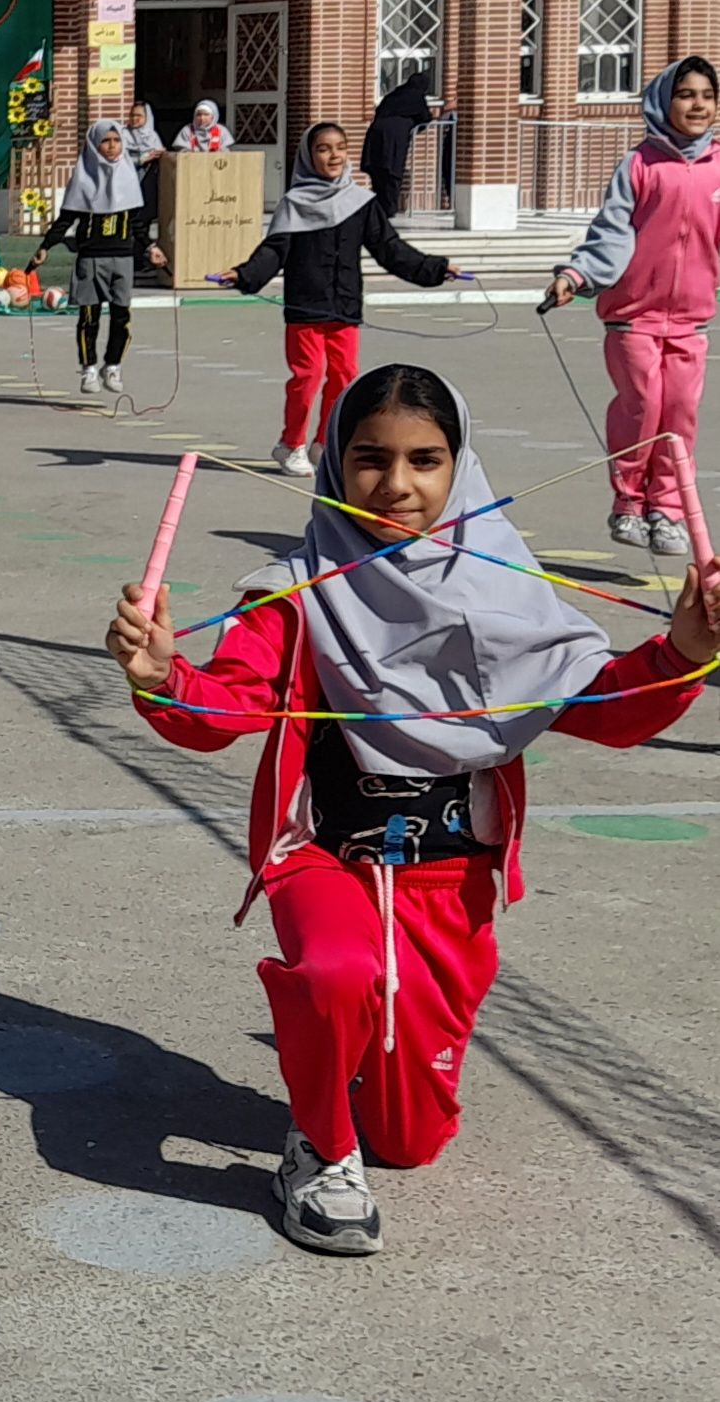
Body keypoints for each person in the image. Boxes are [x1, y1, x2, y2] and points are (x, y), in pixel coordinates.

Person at [109, 363, 714, 1256]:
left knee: (411, 1142)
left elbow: (605, 707)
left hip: (449, 880)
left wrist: (682, 649)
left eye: (425, 459)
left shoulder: (507, 586)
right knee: (336, 972)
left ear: (459, 465)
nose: (396, 485)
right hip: (323, 856)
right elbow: (223, 707)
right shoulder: (296, 589)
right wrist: (163, 675)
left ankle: (346, 1060)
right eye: (368, 459)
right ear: (331, 463)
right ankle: (315, 1145)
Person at [544, 56, 720, 553]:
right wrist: (577, 276)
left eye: (707, 96)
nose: (698, 105)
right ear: (665, 100)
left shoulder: (718, 169)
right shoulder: (640, 165)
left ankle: (666, 509)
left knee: (680, 413)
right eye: (686, 94)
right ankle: (628, 502)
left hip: (690, 320)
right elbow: (611, 235)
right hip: (633, 318)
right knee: (643, 405)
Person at [216, 123, 462, 477]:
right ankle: (290, 444)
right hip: (305, 307)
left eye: (340, 148)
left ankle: (324, 443)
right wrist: (244, 274)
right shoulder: (294, 204)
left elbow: (390, 249)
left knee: (345, 377)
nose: (333, 156)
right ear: (308, 155)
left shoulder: (360, 202)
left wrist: (435, 268)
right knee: (308, 375)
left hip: (344, 306)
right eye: (323, 149)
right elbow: (274, 252)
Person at [34, 120, 164, 398]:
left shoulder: (129, 177)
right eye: (106, 141)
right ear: (94, 144)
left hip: (122, 258)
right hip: (91, 258)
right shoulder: (83, 178)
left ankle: (113, 365)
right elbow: (67, 218)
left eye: (116, 141)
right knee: (89, 317)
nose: (112, 146)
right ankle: (89, 368)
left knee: (121, 316)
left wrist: (151, 246)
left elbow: (137, 223)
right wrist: (46, 246)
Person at [360, 72, 434, 218]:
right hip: (395, 138)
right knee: (392, 171)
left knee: (379, 170)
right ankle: (389, 208)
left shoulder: (394, 95)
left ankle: (380, 206)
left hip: (376, 133)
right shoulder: (416, 97)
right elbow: (425, 117)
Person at [126, 101, 168, 266]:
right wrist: (144, 158)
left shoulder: (152, 136)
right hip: (130, 184)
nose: (135, 119)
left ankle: (141, 259)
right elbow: (121, 159)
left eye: (139, 116)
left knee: (143, 221)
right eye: (132, 115)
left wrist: (161, 155)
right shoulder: (123, 134)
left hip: (148, 184)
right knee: (131, 221)